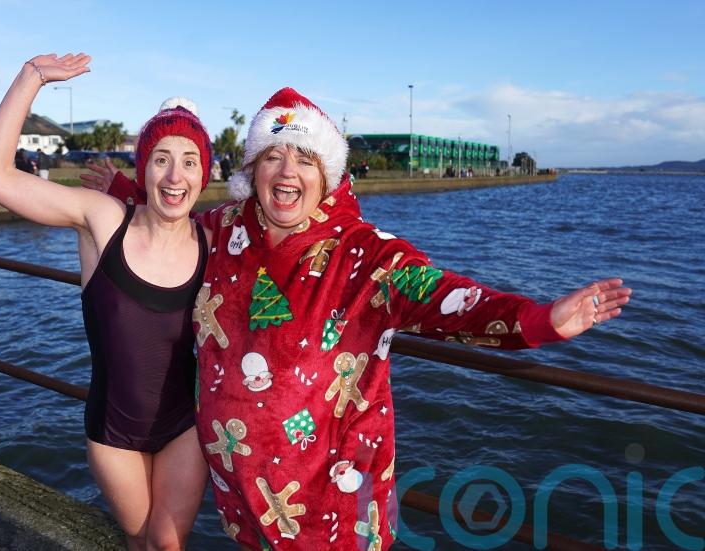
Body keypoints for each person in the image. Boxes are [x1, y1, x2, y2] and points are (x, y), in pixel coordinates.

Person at [89, 87, 630, 550]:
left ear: (327, 175)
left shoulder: (364, 255)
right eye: (273, 156)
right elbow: (170, 214)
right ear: (253, 171)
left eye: (303, 159)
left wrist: (537, 319)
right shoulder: (226, 229)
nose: (287, 171)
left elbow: (442, 296)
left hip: (336, 512)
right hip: (245, 502)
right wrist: (125, 191)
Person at [0, 53, 211, 550]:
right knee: (141, 540)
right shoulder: (104, 221)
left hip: (186, 425)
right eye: (161, 159)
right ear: (144, 167)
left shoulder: (213, 240)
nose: (174, 176)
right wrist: (31, 77)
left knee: (166, 543)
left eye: (190, 162)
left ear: (204, 175)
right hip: (114, 430)